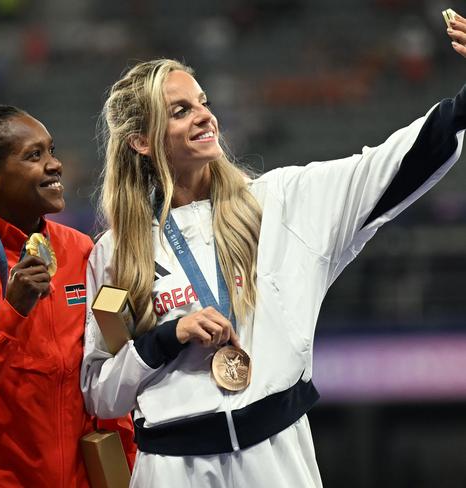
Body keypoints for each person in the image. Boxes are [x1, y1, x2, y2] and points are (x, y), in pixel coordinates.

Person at [80, 23, 466, 488]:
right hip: (170, 468)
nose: (205, 116)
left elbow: (387, 166)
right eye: (181, 111)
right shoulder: (117, 251)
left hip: (275, 457)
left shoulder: (280, 204)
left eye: (203, 102)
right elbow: (100, 394)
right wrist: (164, 339)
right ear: (140, 141)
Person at [0, 104, 135, 487]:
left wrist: (126, 469)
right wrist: (10, 313)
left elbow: (108, 372)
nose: (55, 165)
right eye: (34, 156)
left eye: (51, 151)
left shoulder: (83, 251)